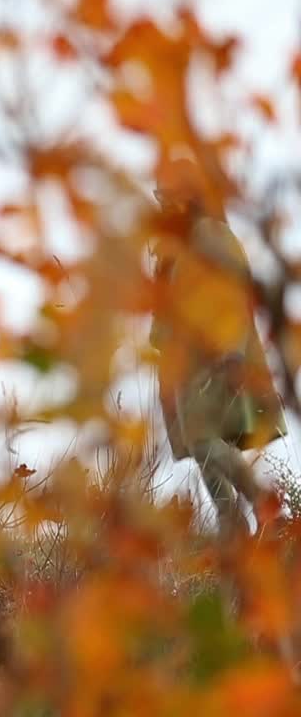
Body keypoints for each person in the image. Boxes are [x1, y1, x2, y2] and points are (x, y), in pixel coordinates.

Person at [148, 158, 287, 539]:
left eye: (168, 194)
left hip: (215, 356)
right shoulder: (171, 249)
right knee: (201, 448)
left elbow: (235, 295)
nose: (162, 202)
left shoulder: (211, 234)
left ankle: (263, 504)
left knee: (205, 440)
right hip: (183, 365)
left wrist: (232, 352)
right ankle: (233, 527)